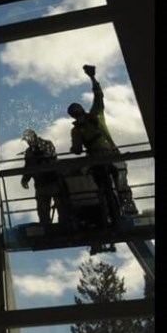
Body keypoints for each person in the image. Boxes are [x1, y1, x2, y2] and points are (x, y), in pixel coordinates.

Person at [67, 65, 137, 224]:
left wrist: (92, 78)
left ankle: (121, 210)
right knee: (111, 188)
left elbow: (98, 96)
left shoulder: (92, 118)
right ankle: (116, 212)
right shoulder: (81, 126)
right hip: (101, 157)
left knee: (118, 185)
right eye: (75, 111)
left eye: (76, 110)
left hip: (108, 155)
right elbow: (78, 149)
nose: (77, 113)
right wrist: (75, 148)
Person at [20, 129, 62, 225]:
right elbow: (28, 167)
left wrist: (25, 180)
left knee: (58, 206)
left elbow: (51, 157)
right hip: (45, 183)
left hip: (51, 182)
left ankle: (58, 225)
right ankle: (49, 226)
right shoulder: (32, 150)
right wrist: (25, 179)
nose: (27, 142)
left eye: (27, 140)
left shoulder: (45, 145)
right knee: (46, 210)